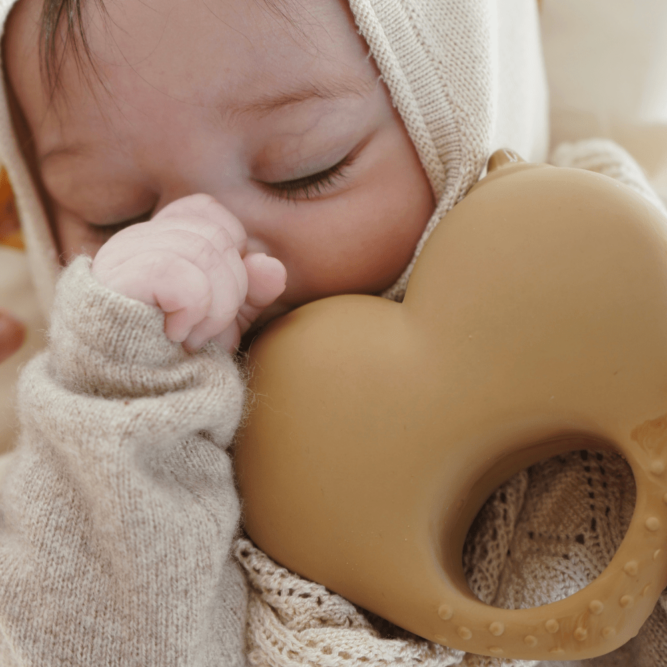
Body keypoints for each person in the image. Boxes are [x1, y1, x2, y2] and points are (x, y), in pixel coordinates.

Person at [0, 0, 665, 665]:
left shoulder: (620, 284)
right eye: (113, 217)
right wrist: (122, 393)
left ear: (470, 105)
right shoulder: (72, 458)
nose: (210, 251)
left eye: (304, 167)